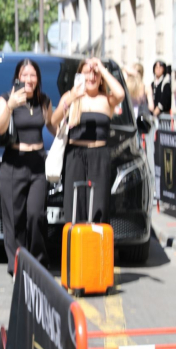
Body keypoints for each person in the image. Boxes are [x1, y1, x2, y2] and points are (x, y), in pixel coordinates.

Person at [0, 59, 54, 276]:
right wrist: (10, 105)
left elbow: (53, 126)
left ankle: (38, 262)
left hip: (37, 163)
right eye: (24, 75)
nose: (28, 79)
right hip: (14, 162)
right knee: (14, 219)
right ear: (17, 77)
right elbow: (0, 128)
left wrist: (66, 110)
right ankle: (17, 265)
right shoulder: (5, 98)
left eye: (33, 75)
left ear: (38, 79)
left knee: (36, 215)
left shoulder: (43, 100)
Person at [52, 57, 125, 226]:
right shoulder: (71, 97)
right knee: (75, 205)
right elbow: (53, 120)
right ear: (79, 76)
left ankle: (96, 247)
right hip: (75, 155)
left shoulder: (107, 99)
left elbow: (120, 93)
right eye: (87, 73)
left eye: (95, 74)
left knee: (99, 206)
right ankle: (76, 247)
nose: (91, 77)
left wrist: (102, 68)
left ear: (100, 79)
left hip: (99, 156)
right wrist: (70, 99)